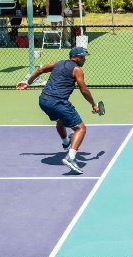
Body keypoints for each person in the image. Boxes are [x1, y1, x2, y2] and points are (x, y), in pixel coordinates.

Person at [15, 46, 99, 174]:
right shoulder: (77, 70)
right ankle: (70, 158)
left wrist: (28, 82)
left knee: (60, 119)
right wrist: (93, 104)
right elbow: (84, 89)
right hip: (58, 102)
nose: (84, 59)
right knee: (80, 128)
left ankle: (66, 142)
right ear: (74, 57)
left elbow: (41, 70)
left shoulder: (58, 63)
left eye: (84, 57)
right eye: (82, 57)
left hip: (43, 101)